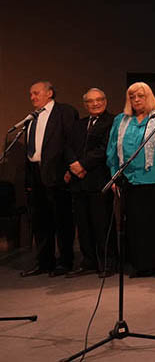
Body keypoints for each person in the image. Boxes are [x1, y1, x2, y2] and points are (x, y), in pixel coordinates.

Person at [105, 82, 155, 278]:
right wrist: (114, 176)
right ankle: (142, 264)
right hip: (129, 180)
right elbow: (112, 150)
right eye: (132, 97)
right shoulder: (121, 120)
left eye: (140, 96)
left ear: (149, 97)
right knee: (136, 225)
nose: (136, 100)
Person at [20, 81, 79, 277]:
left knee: (62, 220)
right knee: (40, 221)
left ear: (50, 93)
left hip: (58, 174)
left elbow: (71, 141)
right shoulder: (32, 117)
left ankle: (65, 261)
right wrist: (29, 180)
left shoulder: (65, 112)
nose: (32, 97)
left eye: (36, 93)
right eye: (31, 94)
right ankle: (44, 262)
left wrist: (70, 169)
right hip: (36, 173)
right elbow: (31, 151)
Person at [66, 88, 115, 278]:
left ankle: (107, 262)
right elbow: (68, 146)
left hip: (99, 179)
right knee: (83, 225)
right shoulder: (79, 124)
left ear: (105, 101)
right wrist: (73, 164)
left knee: (101, 224)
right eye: (91, 101)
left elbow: (105, 148)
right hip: (78, 182)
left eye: (99, 99)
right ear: (85, 105)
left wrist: (83, 165)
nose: (95, 103)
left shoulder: (112, 121)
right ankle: (88, 261)